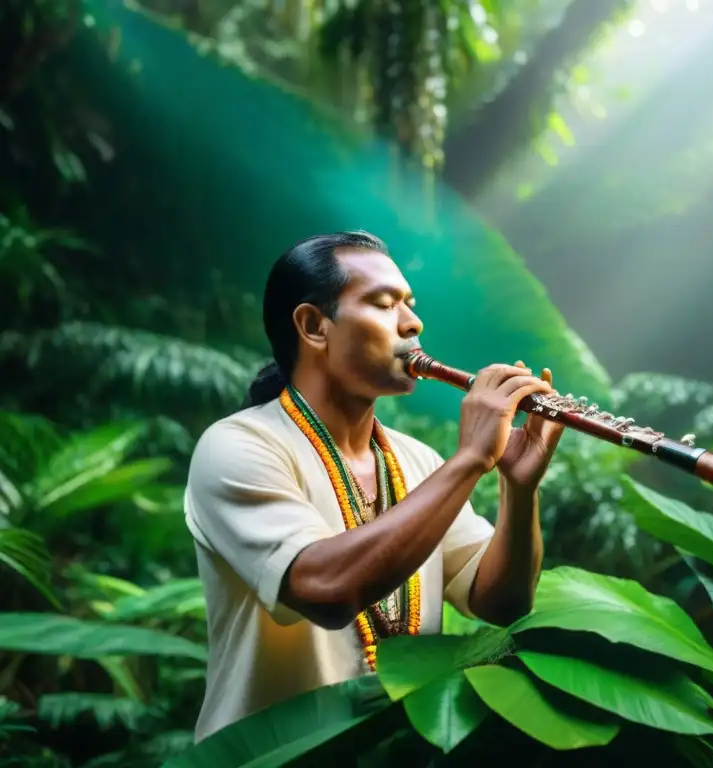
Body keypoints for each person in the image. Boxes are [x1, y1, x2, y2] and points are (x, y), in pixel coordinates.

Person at [183, 230, 564, 742]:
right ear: (314, 326)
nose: (413, 322)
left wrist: (520, 489)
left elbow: (498, 602)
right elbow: (325, 591)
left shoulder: (418, 460)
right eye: (384, 305)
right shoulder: (237, 446)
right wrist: (472, 458)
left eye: (409, 303)